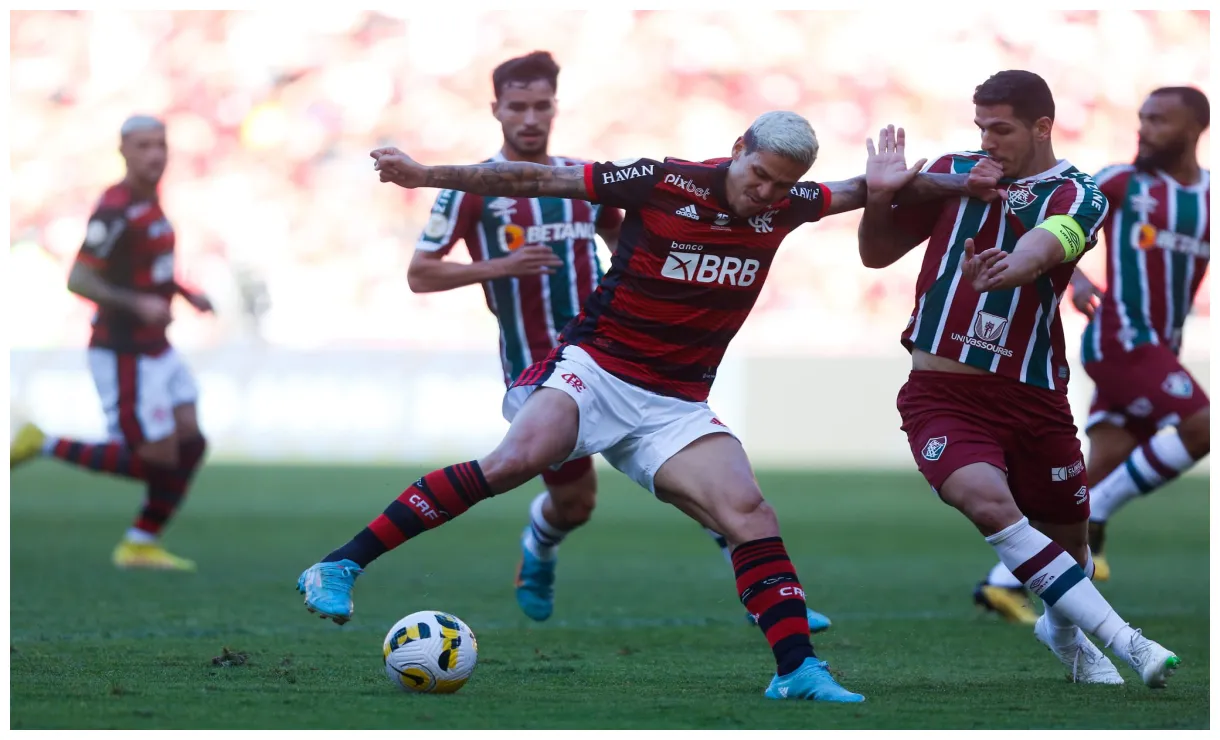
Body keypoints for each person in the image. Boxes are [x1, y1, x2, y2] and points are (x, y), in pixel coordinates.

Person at [300, 110, 983, 702]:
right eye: (759, 175)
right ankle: (340, 563)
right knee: (517, 460)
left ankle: (797, 670)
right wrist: (425, 175)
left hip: (676, 402)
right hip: (597, 369)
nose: (766, 192)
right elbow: (538, 180)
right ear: (739, 145)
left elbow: (870, 189)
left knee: (748, 513)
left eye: (780, 183)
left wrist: (960, 182)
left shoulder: (789, 203)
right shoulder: (664, 181)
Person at [408, 50, 832, 632]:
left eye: (541, 106)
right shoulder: (474, 190)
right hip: (541, 363)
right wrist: (500, 267)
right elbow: (420, 274)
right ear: (496, 110)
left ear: (555, 107)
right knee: (575, 501)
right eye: (518, 107)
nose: (531, 118)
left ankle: (779, 596)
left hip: (619, 350)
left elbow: (632, 244)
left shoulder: (590, 180)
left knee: (712, 486)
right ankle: (541, 542)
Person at [858, 70, 1180, 687]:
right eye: (980, 127)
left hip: (1033, 397)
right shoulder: (957, 173)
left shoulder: (1080, 194)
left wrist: (1006, 270)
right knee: (989, 504)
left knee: (1071, 550)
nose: (987, 141)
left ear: (1041, 128)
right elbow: (876, 253)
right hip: (942, 394)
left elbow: (1047, 246)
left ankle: (1061, 631)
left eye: (1000, 129)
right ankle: (1127, 642)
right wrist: (879, 196)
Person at [9, 116, 213, 571]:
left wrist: (183, 292)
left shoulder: (150, 202)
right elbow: (79, 279)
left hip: (158, 347)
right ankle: (43, 443)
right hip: (124, 351)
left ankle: (141, 542)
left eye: (160, 145)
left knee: (192, 444)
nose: (155, 154)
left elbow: (144, 267)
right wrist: (137, 304)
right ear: (123, 150)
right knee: (158, 459)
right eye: (143, 146)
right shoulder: (115, 209)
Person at [1073, 87, 1211, 580]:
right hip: (1122, 338)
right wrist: (1073, 274)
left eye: (1159, 121)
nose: (1144, 129)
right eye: (1142, 118)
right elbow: (1053, 213)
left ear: (1195, 129)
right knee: (1202, 427)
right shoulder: (1120, 181)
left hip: (1160, 345)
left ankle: (1015, 580)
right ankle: (1099, 517)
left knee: (1106, 463)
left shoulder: (1209, 198)